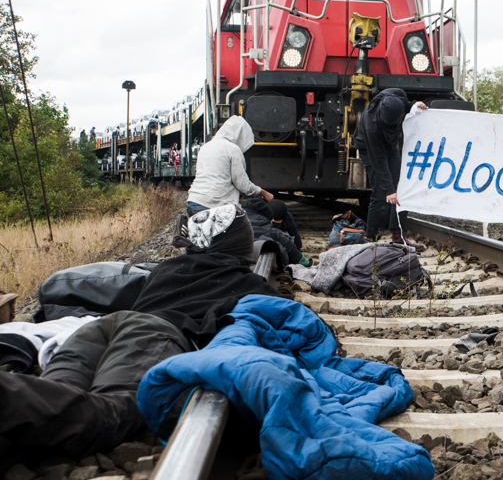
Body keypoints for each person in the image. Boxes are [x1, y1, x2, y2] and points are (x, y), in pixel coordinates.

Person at [0, 204, 282, 463]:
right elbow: (279, 318)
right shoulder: (248, 283)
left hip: (102, 327)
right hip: (152, 335)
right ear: (240, 245)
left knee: (53, 401)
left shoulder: (169, 267)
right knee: (110, 415)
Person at [353, 88, 426, 250]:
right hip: (369, 148)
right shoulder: (371, 126)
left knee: (402, 187)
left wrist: (415, 105)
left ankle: (398, 237)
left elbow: (406, 104)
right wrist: (389, 190)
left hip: (390, 144)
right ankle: (369, 239)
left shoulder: (397, 96)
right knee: (380, 193)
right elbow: (378, 161)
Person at [186, 116, 273, 216]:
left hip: (194, 201)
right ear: (240, 135)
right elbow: (242, 184)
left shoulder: (205, 147)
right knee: (241, 229)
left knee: (199, 231)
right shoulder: (232, 149)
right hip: (214, 205)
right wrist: (263, 193)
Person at [242, 197, 310, 268]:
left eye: (277, 220)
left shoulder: (237, 223)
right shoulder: (272, 230)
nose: (274, 222)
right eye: (273, 220)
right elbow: (289, 246)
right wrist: (304, 262)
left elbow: (295, 238)